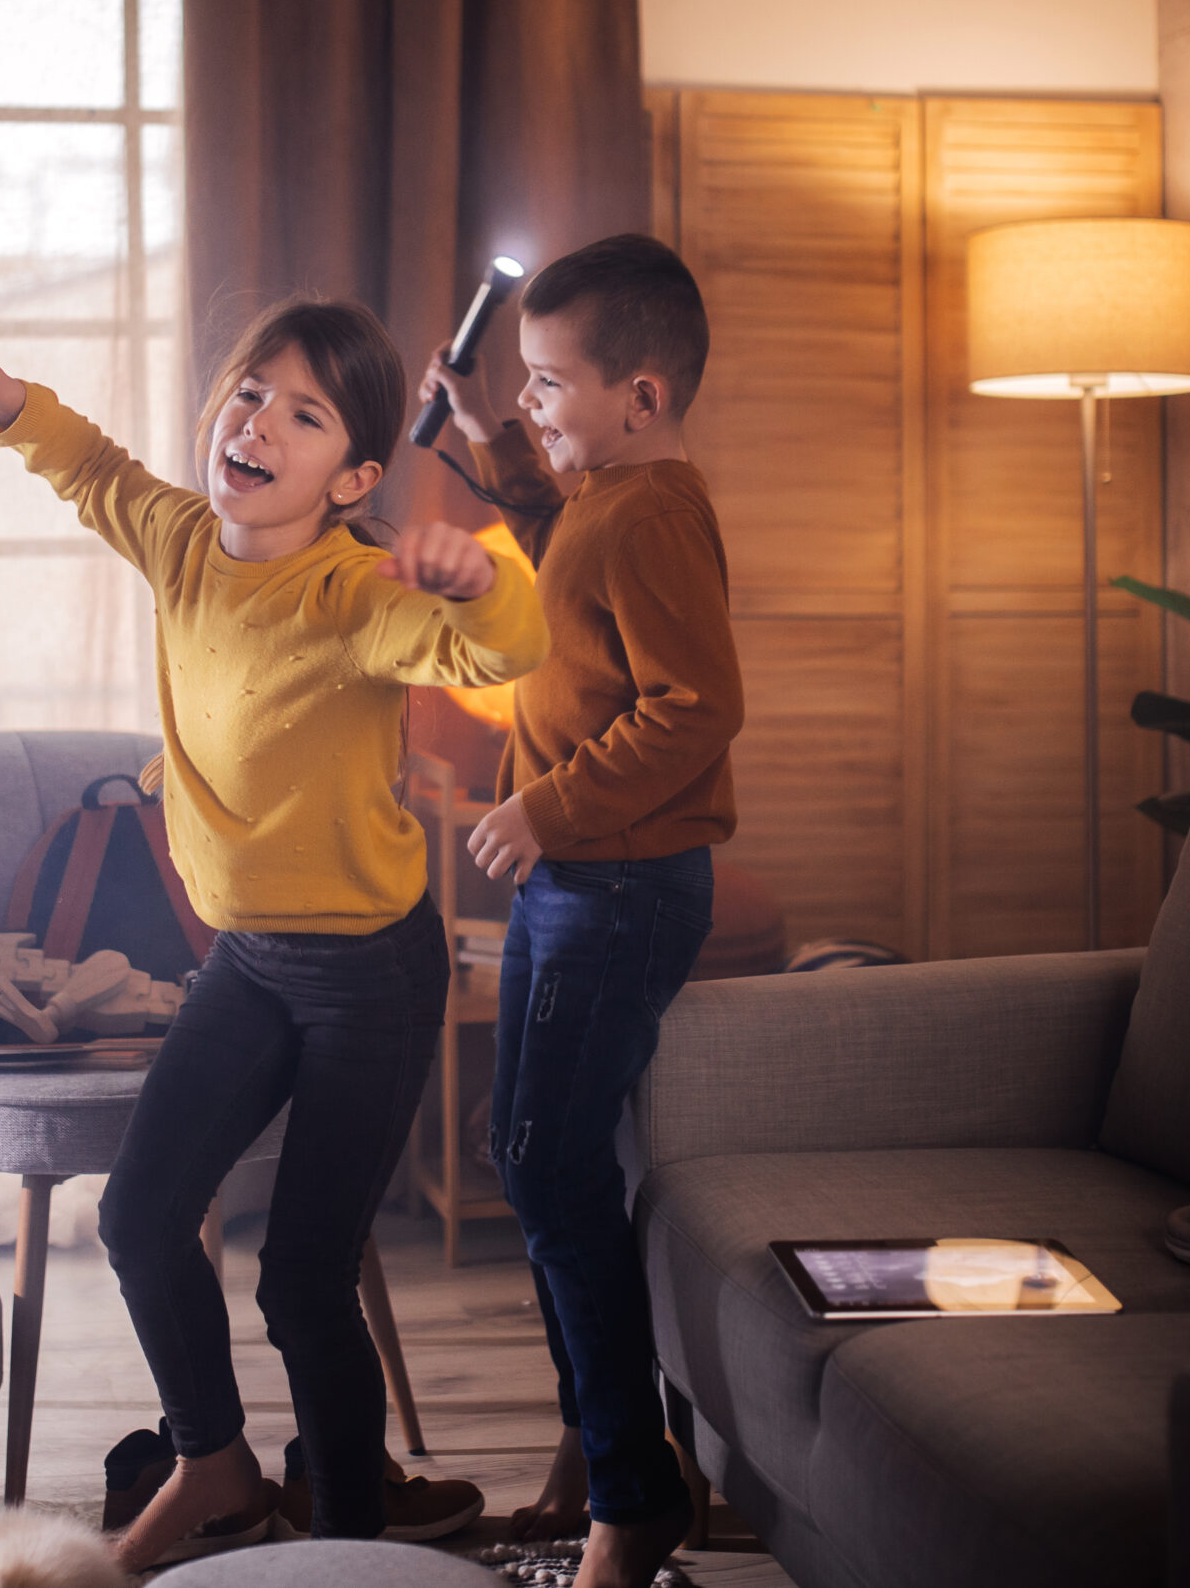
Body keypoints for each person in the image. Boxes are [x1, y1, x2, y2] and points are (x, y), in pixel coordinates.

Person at [0, 298, 546, 1571]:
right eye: (251, 391)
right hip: (249, 960)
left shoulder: (355, 592)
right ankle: (211, 1459)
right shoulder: (181, 542)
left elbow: (498, 648)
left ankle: (355, 1544)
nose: (258, 420)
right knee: (141, 1218)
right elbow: (93, 469)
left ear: (356, 476)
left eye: (303, 413)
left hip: (368, 972)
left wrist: (488, 575)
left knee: (305, 1277)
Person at [421, 232, 743, 1588]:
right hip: (578, 880)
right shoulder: (609, 494)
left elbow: (698, 706)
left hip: (616, 882)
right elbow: (563, 535)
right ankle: (592, 1447)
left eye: (550, 385)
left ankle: (633, 1486)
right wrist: (493, 440)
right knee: (537, 1151)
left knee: (548, 1164)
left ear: (643, 396)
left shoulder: (656, 509)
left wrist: (545, 808)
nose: (538, 405)